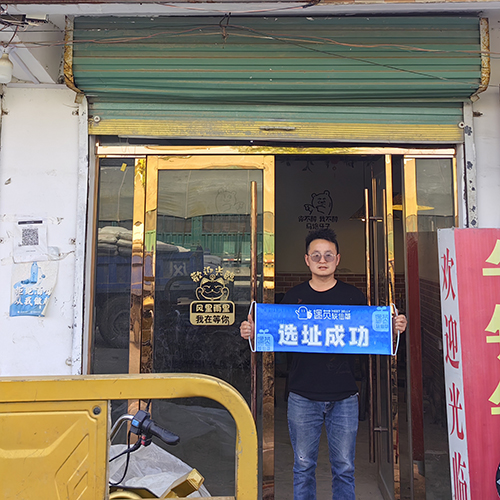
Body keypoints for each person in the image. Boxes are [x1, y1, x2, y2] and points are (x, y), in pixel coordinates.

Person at [240, 228, 407, 500]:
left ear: (337, 259)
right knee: (303, 467)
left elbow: (374, 332)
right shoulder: (292, 298)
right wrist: (250, 331)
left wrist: (395, 326)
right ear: (307, 260)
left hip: (344, 395)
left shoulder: (354, 298)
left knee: (345, 468)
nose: (322, 260)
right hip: (302, 395)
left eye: (328, 255)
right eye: (316, 255)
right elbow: (269, 332)